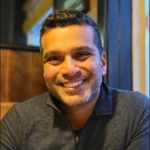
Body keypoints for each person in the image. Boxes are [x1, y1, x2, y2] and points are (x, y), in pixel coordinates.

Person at [0, 10, 149, 150]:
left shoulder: (137, 112)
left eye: (82, 54)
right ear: (44, 69)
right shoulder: (18, 121)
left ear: (102, 63)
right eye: (54, 58)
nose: (70, 70)